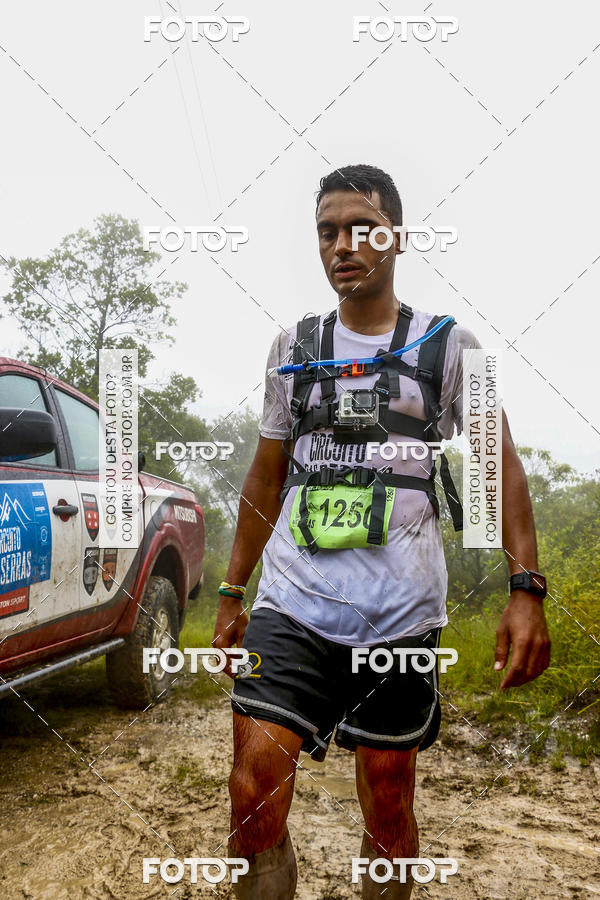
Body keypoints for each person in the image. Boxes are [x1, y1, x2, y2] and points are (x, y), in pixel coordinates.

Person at [212, 164, 550, 898]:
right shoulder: (291, 345)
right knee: (252, 788)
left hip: (400, 614)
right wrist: (232, 591)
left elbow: (499, 465)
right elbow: (265, 478)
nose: (342, 245)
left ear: (395, 237)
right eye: (328, 232)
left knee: (390, 801)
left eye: (361, 229)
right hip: (292, 605)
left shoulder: (454, 345)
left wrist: (526, 589)